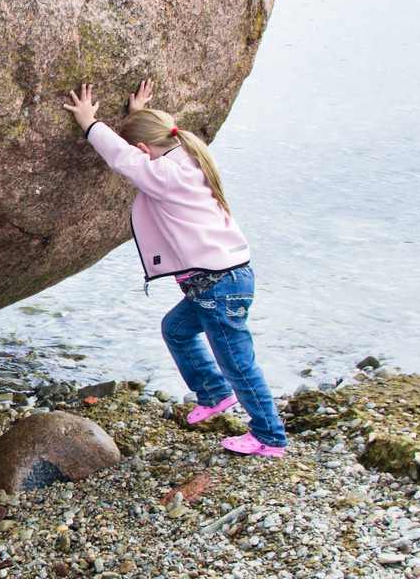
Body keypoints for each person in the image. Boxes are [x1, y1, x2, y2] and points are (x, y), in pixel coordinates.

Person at [63, 80, 287, 457]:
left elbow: (124, 158)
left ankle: (269, 437)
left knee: (238, 363)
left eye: (142, 149)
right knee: (177, 330)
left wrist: (90, 123)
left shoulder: (167, 174)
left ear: (145, 149)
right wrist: (139, 117)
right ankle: (214, 393)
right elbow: (148, 146)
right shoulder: (188, 159)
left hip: (217, 286)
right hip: (224, 281)